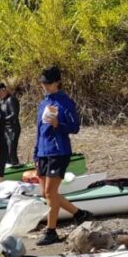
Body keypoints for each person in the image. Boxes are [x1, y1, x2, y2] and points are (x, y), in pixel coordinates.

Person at [33, 66, 92, 245]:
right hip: (43, 151)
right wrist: (36, 154)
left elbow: (75, 127)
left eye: (48, 83)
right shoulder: (44, 102)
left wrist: (59, 124)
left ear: (57, 82)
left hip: (59, 151)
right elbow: (39, 130)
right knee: (45, 193)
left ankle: (51, 231)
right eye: (43, 82)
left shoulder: (65, 101)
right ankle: (79, 214)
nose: (45, 86)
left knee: (51, 192)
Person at [0, 81, 22, 166]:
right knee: (5, 151)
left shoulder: (11, 99)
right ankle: (9, 166)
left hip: (13, 128)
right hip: (5, 129)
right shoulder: (1, 102)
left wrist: (2, 120)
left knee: (11, 150)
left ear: (3, 90)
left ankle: (15, 165)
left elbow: (14, 114)